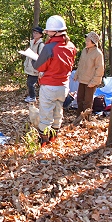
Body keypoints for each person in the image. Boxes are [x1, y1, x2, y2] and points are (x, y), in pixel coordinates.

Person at [33, 15, 76, 146]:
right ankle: (53, 139)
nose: (46, 33)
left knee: (46, 115)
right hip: (64, 86)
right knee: (58, 113)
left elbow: (39, 66)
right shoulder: (71, 46)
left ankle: (43, 142)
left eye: (48, 31)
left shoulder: (49, 47)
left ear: (55, 32)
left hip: (49, 85)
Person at [73, 32, 104, 116]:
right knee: (79, 99)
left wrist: (94, 82)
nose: (86, 42)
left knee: (87, 101)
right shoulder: (84, 50)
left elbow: (100, 69)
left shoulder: (98, 53)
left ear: (93, 42)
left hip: (90, 81)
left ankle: (86, 119)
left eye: (88, 41)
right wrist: (76, 74)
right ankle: (78, 117)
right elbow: (81, 64)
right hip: (82, 79)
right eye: (86, 40)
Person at [23, 26, 45, 103]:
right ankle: (32, 96)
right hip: (30, 65)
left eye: (36, 33)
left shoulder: (41, 45)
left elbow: (42, 57)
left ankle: (33, 97)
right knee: (29, 82)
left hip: (36, 67)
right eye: (34, 33)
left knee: (31, 83)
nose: (34, 34)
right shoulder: (32, 42)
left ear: (40, 35)